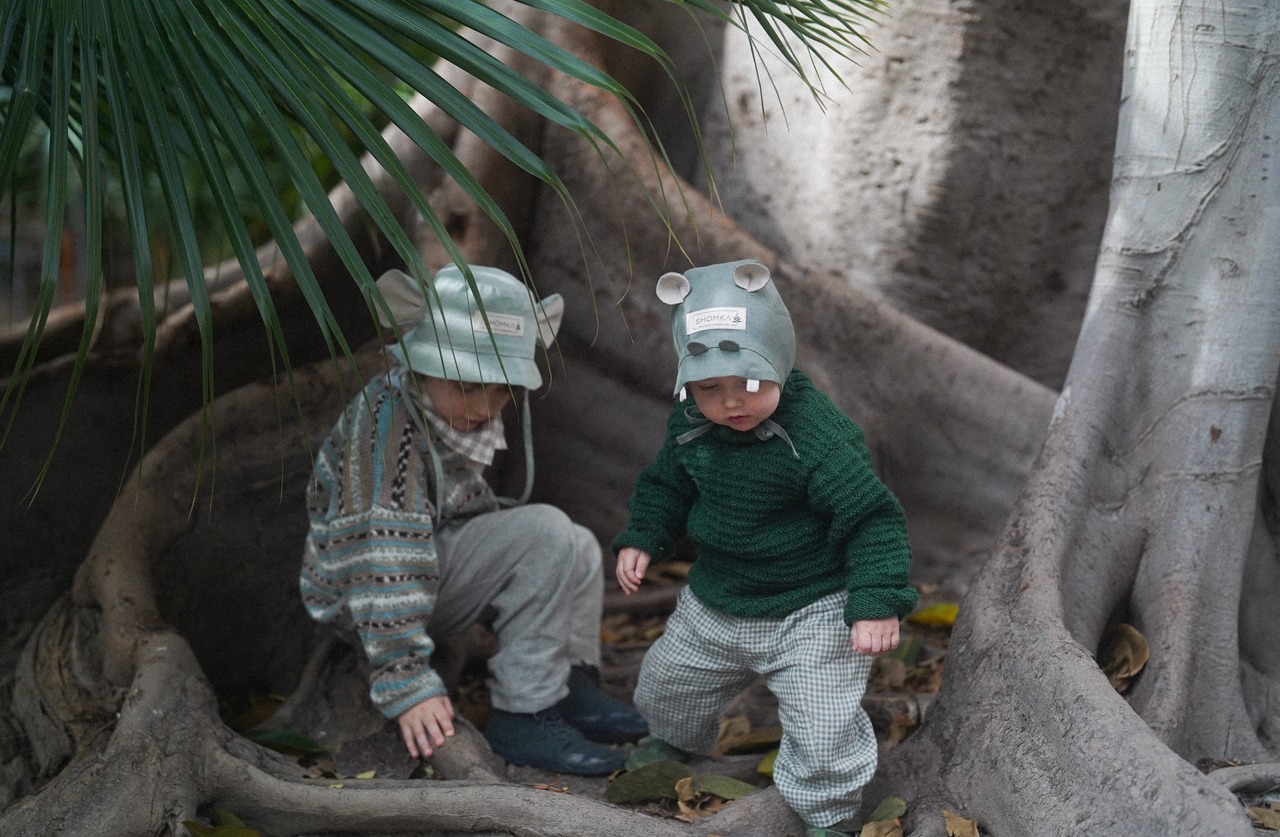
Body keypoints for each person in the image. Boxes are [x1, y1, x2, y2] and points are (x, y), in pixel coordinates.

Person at [300, 264, 646, 776]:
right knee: (547, 533)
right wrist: (406, 680)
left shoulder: (437, 407)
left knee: (579, 545)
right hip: (365, 596)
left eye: (502, 389)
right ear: (423, 363)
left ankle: (566, 684)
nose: (485, 405)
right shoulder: (387, 432)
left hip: (426, 558)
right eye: (466, 384)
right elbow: (382, 557)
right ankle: (524, 713)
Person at [613, 259, 918, 836]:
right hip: (717, 599)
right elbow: (666, 485)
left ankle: (829, 813)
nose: (731, 403)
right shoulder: (690, 423)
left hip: (813, 605)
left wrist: (877, 600)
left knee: (824, 722)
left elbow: (872, 518)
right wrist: (643, 538)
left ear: (778, 360)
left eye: (750, 384)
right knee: (667, 684)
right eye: (710, 388)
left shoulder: (815, 435)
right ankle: (673, 744)